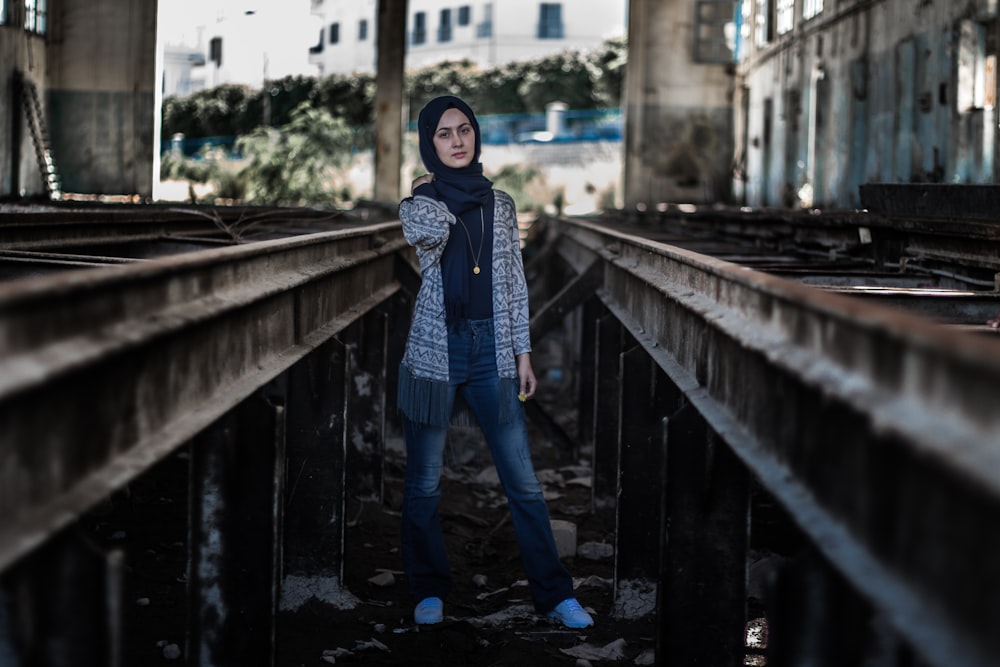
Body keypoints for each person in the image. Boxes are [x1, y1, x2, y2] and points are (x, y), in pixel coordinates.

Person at [396, 95, 594, 629]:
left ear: (476, 135)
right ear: (428, 144)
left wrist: (522, 353)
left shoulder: (501, 205)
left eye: (465, 130)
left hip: (493, 354)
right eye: (444, 134)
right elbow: (428, 234)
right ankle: (428, 589)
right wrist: (429, 191)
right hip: (436, 353)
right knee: (424, 482)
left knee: (524, 482)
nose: (458, 141)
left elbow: (512, 284)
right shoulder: (418, 205)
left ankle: (555, 595)